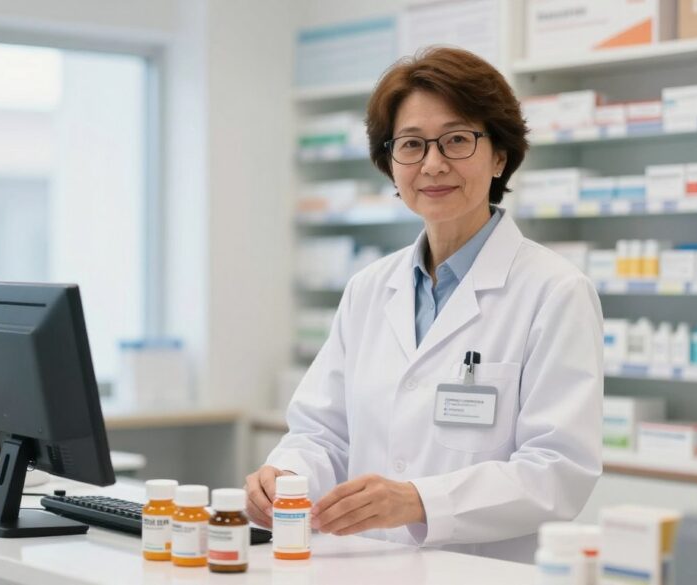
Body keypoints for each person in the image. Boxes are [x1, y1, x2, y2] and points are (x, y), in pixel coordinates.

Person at [245, 47, 603, 563]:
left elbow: (558, 471)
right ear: (391, 164)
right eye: (411, 144)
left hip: (482, 572)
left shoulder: (554, 291)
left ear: (499, 155)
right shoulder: (369, 289)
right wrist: (285, 475)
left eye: (457, 140)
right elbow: (323, 432)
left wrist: (417, 501)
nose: (432, 164)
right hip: (366, 566)